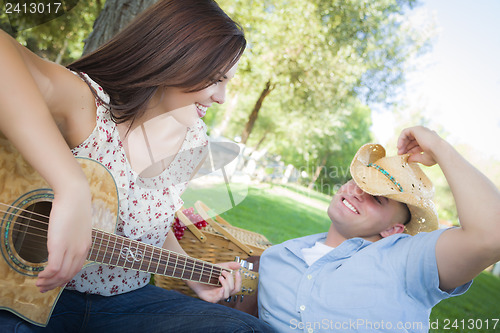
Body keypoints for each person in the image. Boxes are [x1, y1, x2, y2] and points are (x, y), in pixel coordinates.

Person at [0, 0, 274, 332]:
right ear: (173, 59)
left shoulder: (194, 143)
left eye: (226, 82)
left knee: (249, 330)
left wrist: (193, 274)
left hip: (126, 301)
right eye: (215, 79)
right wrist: (70, 186)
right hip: (30, 293)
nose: (222, 97)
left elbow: (150, 227)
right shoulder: (88, 105)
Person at [258, 126, 500, 333]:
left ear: (393, 229)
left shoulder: (408, 261)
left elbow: (491, 235)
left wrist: (438, 145)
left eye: (378, 198)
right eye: (359, 181)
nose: (357, 191)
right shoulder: (276, 257)